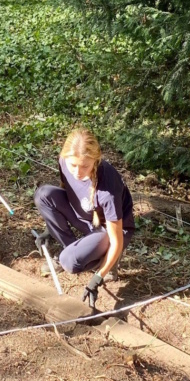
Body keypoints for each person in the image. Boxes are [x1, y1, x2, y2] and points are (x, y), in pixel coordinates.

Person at [33, 128, 135, 308]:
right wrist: (51, 228)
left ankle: (106, 264)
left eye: (85, 166)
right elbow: (68, 193)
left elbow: (116, 240)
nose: (78, 172)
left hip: (109, 232)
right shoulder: (65, 161)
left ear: (96, 160)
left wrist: (98, 277)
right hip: (85, 218)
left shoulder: (108, 190)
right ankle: (74, 248)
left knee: (69, 262)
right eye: (73, 165)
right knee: (43, 194)